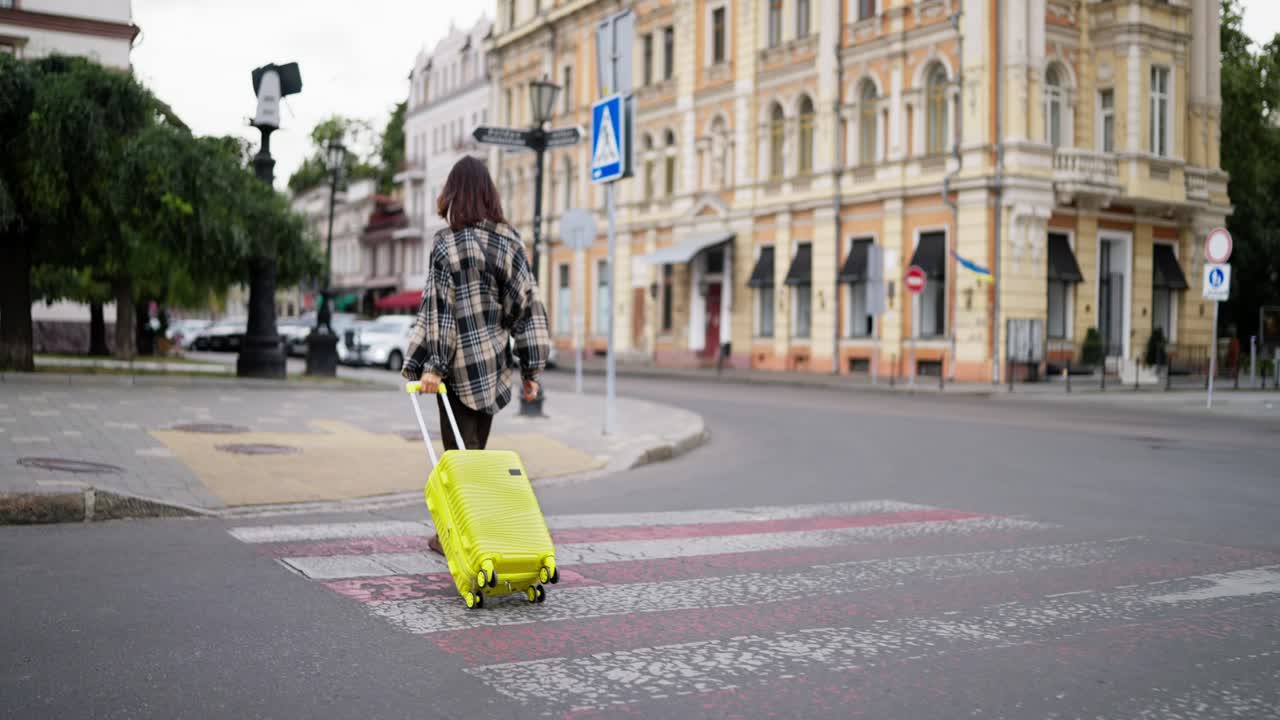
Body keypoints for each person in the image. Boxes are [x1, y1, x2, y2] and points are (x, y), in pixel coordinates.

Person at [402, 156, 550, 555]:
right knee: (475, 453)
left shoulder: (446, 244)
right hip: (493, 368)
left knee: (458, 457)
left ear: (453, 194)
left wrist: (432, 366)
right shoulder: (511, 242)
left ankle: (460, 537)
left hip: (456, 370)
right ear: (489, 195)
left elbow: (439, 309)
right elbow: (527, 307)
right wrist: (531, 369)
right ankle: (469, 532)